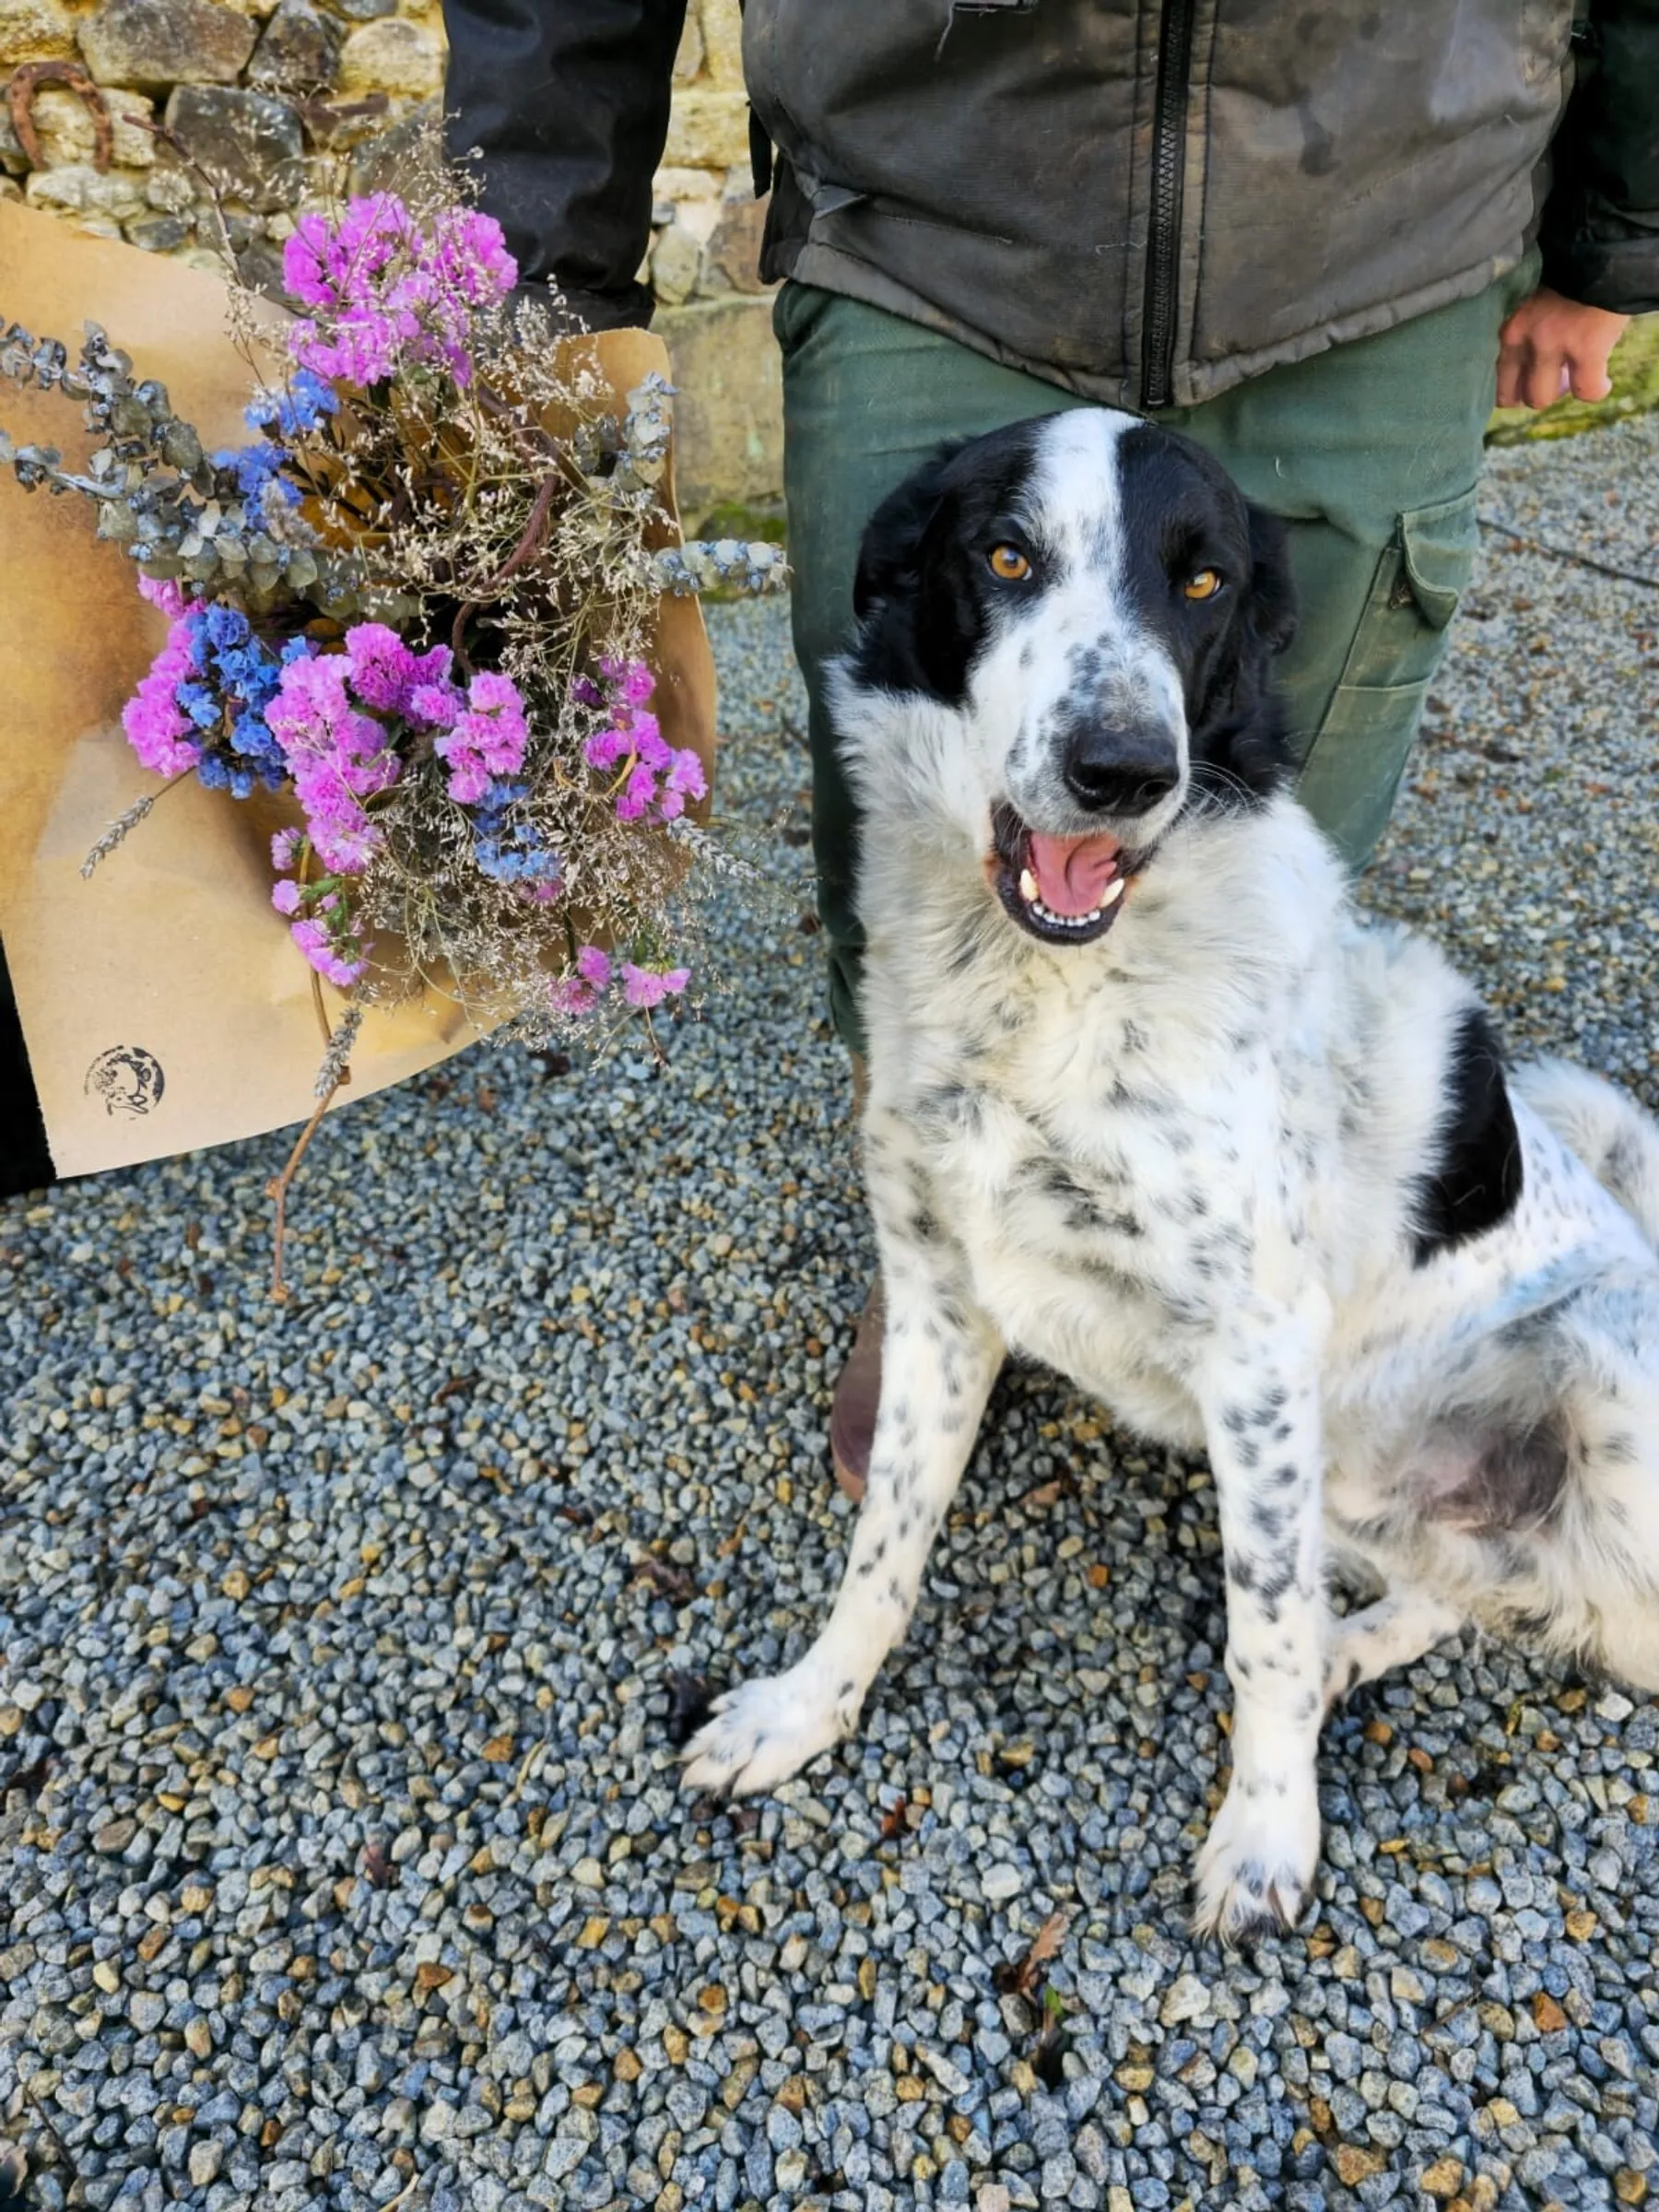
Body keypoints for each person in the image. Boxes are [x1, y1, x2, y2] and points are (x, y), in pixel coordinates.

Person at [438, 0, 1658, 1493]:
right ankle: (954, 1257)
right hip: (933, 221)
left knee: (1271, 911)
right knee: (915, 871)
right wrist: (540, 297)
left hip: (1384, 233)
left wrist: (1619, 232)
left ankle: (1239, 1265)